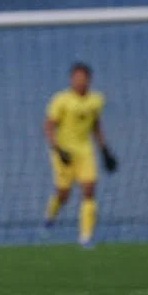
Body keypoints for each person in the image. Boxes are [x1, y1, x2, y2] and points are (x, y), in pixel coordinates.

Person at [43, 62, 117, 248]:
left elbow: (95, 125)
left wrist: (104, 149)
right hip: (64, 151)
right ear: (71, 79)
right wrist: (57, 148)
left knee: (89, 190)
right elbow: (49, 125)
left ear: (88, 80)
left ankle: (85, 236)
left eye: (82, 78)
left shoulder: (95, 100)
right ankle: (50, 215)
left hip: (85, 151)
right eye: (75, 78)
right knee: (63, 194)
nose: (79, 81)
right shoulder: (61, 100)